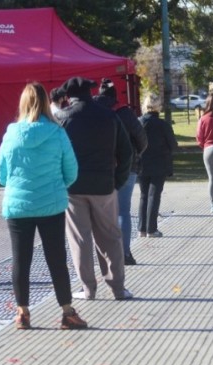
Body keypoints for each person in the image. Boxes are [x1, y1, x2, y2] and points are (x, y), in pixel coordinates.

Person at [0, 82, 84, 330]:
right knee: (56, 257)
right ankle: (67, 311)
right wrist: (57, 185)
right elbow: (71, 171)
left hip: (18, 206)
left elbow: (1, 174)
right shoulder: (57, 133)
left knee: (20, 260)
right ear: (46, 102)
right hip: (51, 204)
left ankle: (22, 312)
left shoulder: (11, 133)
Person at [57, 76, 134, 301]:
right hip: (103, 185)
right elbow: (126, 151)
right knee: (110, 236)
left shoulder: (62, 118)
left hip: (73, 187)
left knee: (79, 238)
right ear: (91, 92)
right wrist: (117, 181)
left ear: (68, 96)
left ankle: (88, 289)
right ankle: (118, 287)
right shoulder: (109, 116)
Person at [95, 78, 148, 265]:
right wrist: (135, 155)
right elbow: (142, 139)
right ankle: (124, 253)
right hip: (127, 167)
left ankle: (104, 255)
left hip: (100, 168)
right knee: (123, 210)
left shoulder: (93, 111)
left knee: (100, 214)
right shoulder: (125, 113)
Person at [137, 93, 177, 239]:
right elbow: (173, 144)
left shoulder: (138, 122)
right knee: (154, 195)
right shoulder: (163, 125)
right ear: (158, 107)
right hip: (159, 163)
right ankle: (151, 229)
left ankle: (141, 228)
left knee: (143, 195)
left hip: (141, 163)